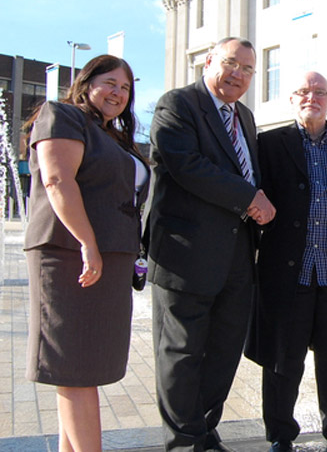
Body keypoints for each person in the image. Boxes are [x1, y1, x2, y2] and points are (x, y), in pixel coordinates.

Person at [147, 37, 275, 451]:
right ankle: (184, 442)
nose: (239, 74)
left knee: (224, 351)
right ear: (208, 62)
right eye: (231, 63)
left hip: (237, 256)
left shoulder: (246, 118)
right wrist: (248, 197)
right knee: (182, 353)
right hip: (186, 254)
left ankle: (203, 430)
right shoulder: (178, 105)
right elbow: (187, 165)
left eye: (248, 69)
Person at [244, 71, 327, 452]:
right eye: (303, 91)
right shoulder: (267, 145)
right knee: (283, 361)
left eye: (320, 92)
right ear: (291, 100)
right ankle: (281, 435)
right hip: (289, 273)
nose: (311, 98)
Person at [24, 54, 149, 452]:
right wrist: (88, 244)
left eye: (126, 88)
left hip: (109, 259)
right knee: (75, 369)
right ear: (87, 82)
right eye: (110, 82)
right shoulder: (61, 114)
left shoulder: (111, 135)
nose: (118, 93)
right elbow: (58, 179)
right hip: (70, 255)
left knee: (85, 368)